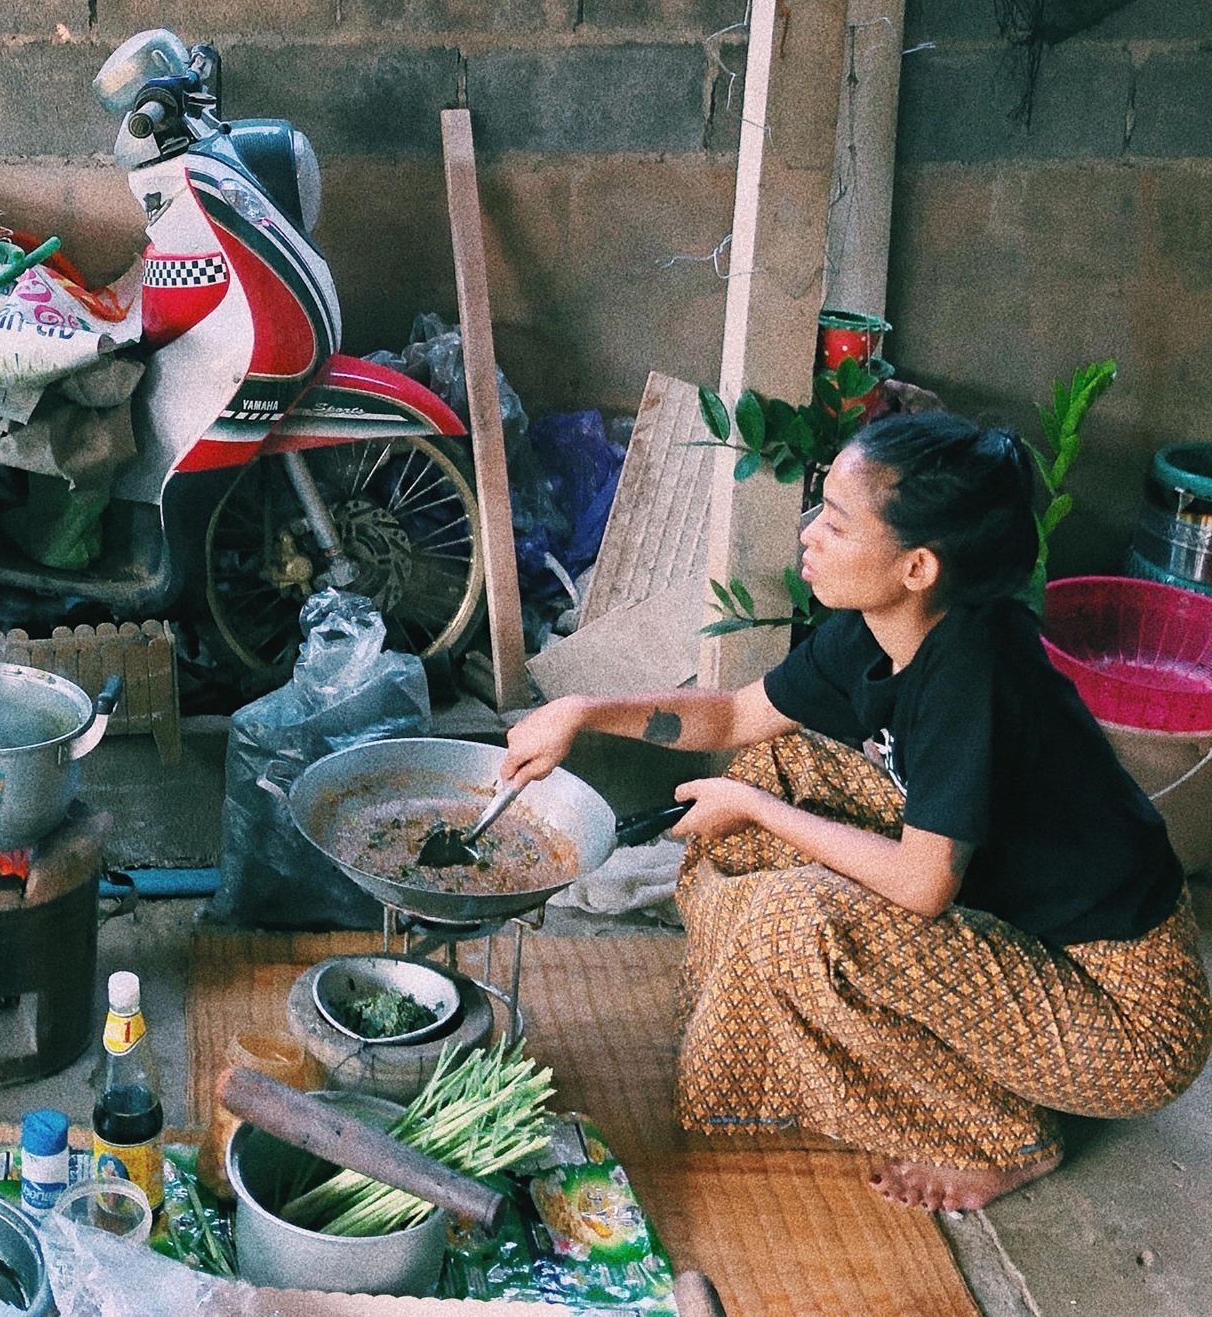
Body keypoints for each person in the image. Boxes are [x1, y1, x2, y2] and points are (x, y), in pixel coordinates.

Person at [502, 410, 1212, 1213]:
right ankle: (788, 1019)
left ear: (916, 567)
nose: (809, 536)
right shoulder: (880, 632)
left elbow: (920, 886)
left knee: (802, 918)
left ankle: (1005, 1135)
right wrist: (581, 711)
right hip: (1026, 932)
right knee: (782, 762)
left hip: (1125, 1018)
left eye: (835, 524)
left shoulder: (974, 670)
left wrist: (757, 810)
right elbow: (737, 717)